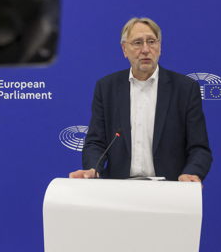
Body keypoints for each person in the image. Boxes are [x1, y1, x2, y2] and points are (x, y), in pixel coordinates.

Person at [69, 17, 212, 182]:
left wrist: (192, 172)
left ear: (160, 47)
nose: (145, 49)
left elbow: (199, 148)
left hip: (169, 188)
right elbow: (96, 143)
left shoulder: (185, 89)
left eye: (151, 41)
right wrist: (93, 168)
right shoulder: (107, 88)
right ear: (124, 49)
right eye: (137, 43)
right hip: (119, 189)